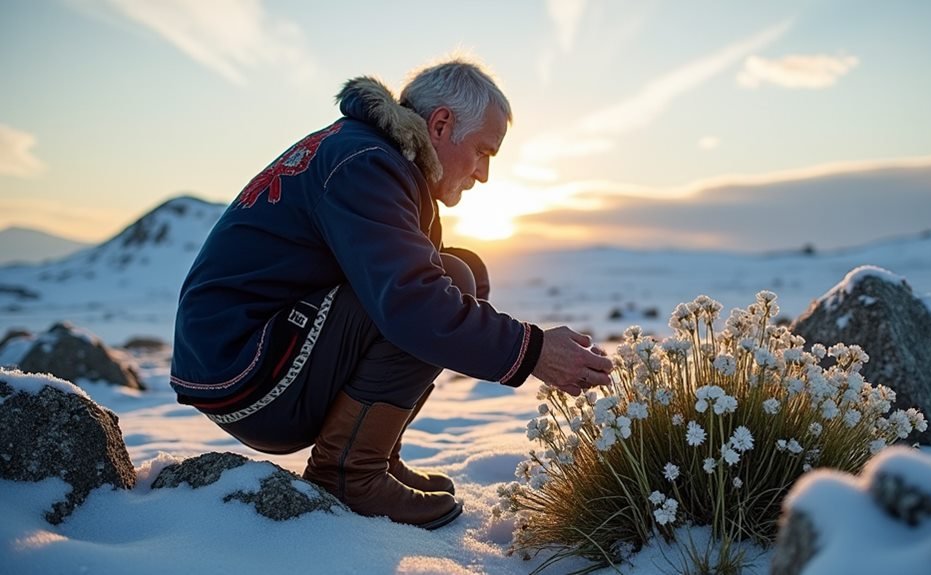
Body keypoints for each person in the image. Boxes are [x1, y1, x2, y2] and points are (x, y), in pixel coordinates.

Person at [170, 57, 613, 530]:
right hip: (244, 368)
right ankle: (348, 473)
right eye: (484, 151)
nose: (483, 173)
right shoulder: (367, 162)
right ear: (441, 124)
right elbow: (411, 305)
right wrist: (534, 351)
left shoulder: (370, 152)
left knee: (462, 272)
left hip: (240, 356)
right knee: (442, 286)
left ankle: (373, 452)